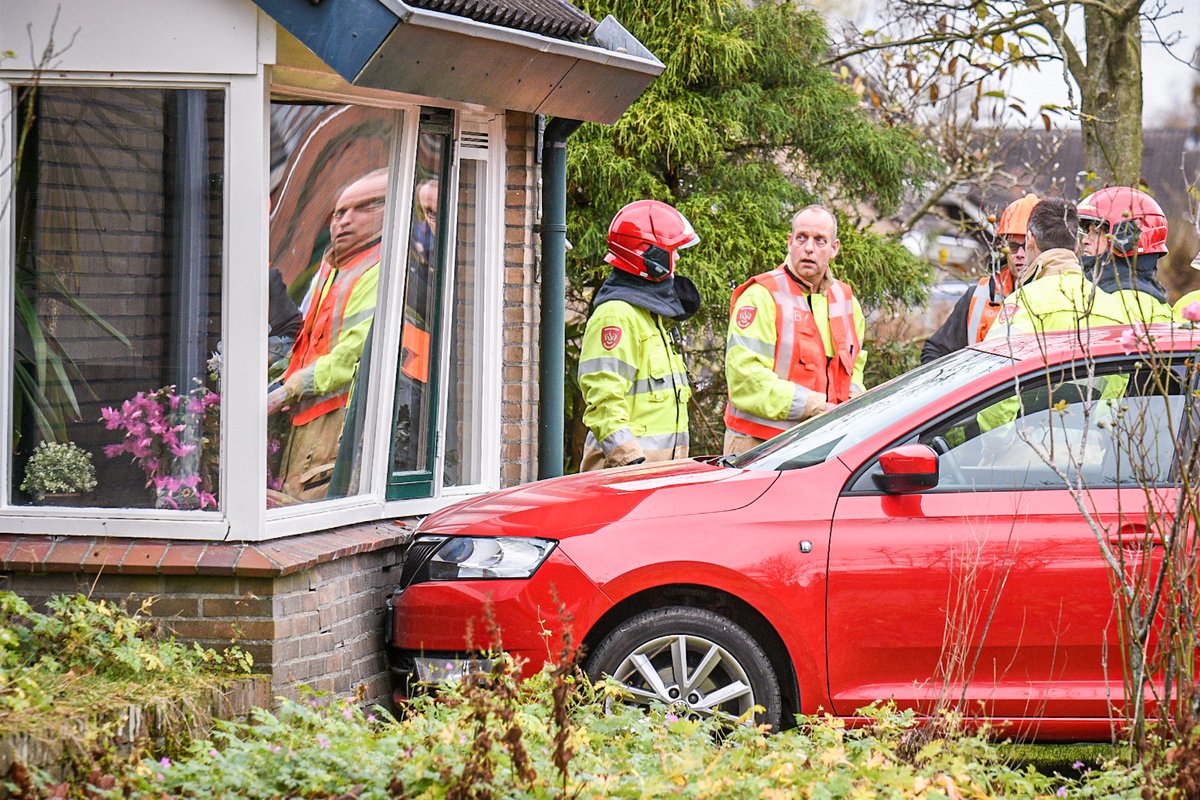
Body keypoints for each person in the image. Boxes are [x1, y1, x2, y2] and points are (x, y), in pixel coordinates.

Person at [268, 169, 387, 500]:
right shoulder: (334, 268)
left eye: (361, 208)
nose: (343, 221)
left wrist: (291, 388)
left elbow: (354, 354)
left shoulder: (378, 269)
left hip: (336, 423)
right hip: (307, 419)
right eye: (338, 212)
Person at [723, 204, 866, 456]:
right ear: (790, 242)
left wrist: (854, 404)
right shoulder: (761, 295)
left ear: (834, 249)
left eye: (820, 240)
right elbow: (745, 378)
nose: (809, 248)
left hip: (820, 445)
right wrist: (816, 406)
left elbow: (853, 369)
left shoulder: (845, 300)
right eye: (802, 238)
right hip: (757, 446)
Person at [577, 200, 701, 471]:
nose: (677, 259)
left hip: (655, 478)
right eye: (672, 251)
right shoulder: (616, 316)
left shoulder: (647, 316)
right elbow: (603, 399)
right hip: (623, 479)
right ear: (650, 256)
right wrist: (628, 460)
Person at [985, 197, 1130, 341]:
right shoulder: (1114, 308)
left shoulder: (1023, 304)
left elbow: (997, 359)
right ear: (1076, 246)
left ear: (1030, 240)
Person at [920, 193, 1040, 363]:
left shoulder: (1062, 296)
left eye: (1027, 247)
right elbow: (936, 352)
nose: (1019, 254)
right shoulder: (980, 296)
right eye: (1013, 247)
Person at [1076, 186, 1172, 322]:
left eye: (1096, 233)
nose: (1085, 240)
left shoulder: (1116, 302)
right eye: (1087, 232)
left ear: (1126, 239)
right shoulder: (1158, 304)